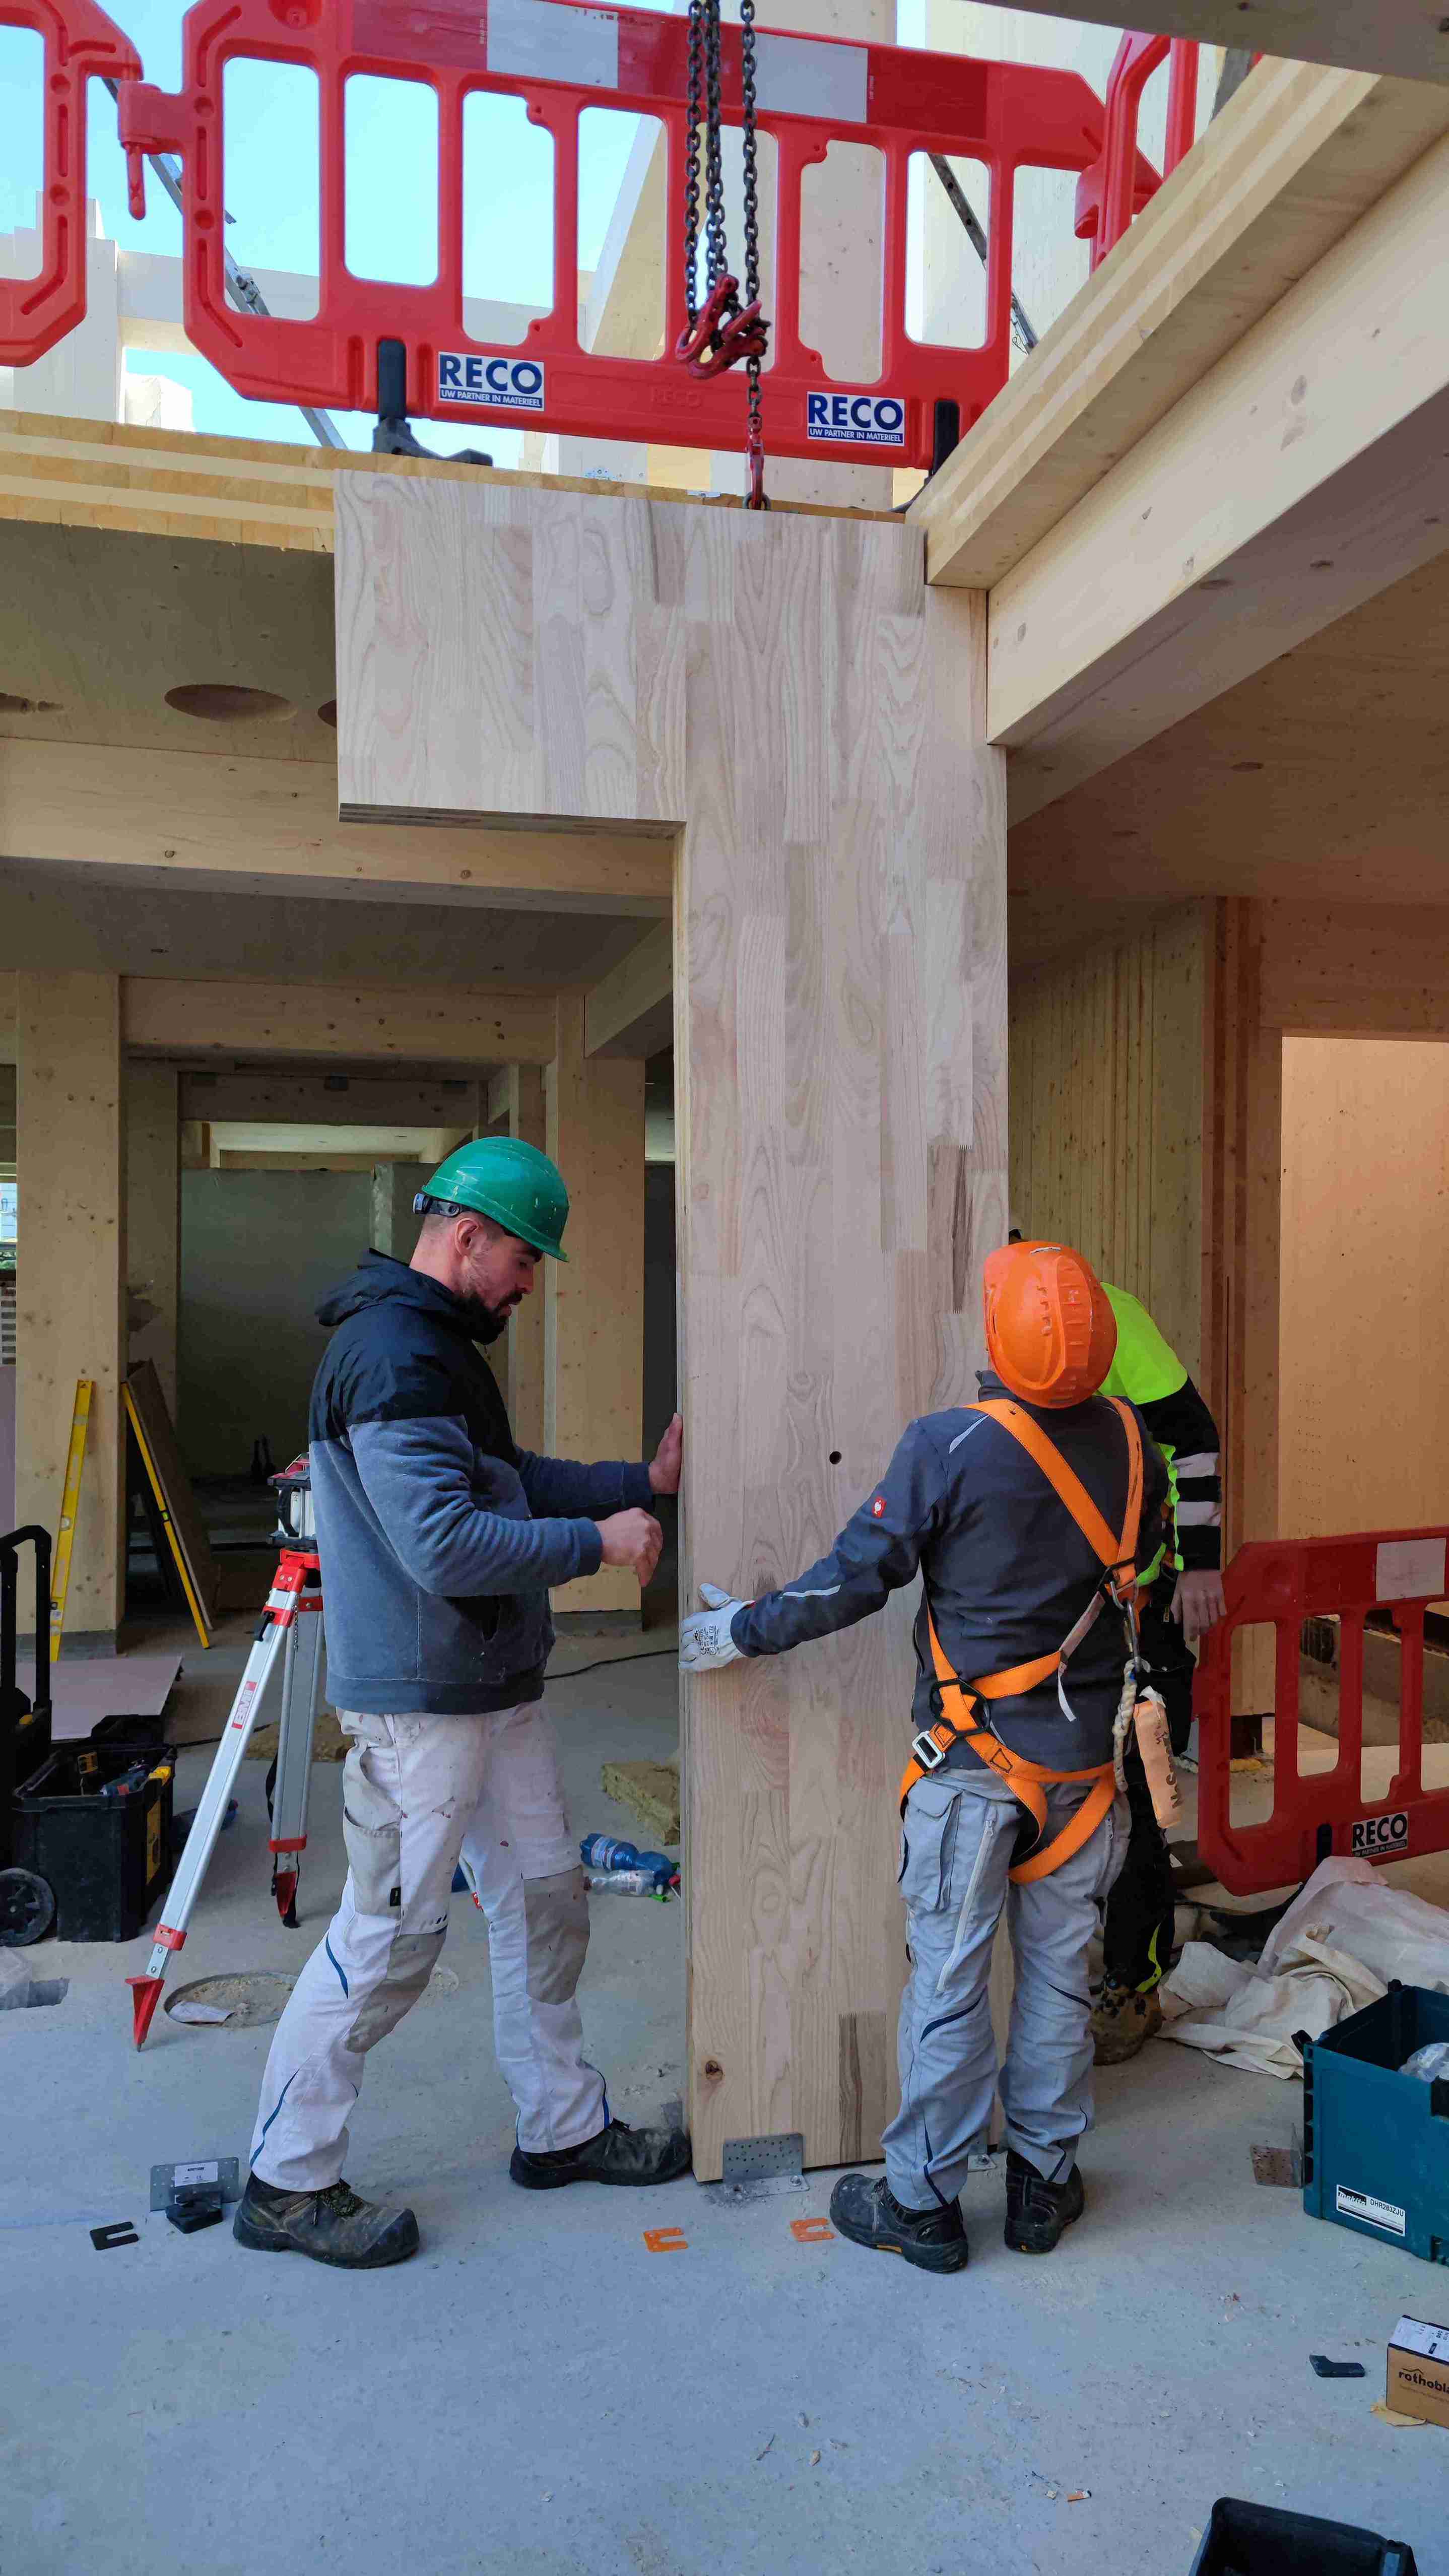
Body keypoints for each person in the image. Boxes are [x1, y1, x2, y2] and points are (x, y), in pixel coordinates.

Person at [233, 1138, 690, 2271]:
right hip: (424, 1703)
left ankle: (563, 2127)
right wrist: (599, 1542)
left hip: (494, 1686)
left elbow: (508, 1478)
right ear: (468, 1235)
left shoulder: (437, 1345)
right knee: (388, 1939)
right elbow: (441, 1542)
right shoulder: (393, 1354)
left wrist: (641, 1485)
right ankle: (285, 2180)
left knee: (545, 1899)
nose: (530, 1283)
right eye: (524, 1258)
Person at [681, 1240, 1170, 2274]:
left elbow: (856, 1578)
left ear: (999, 1336)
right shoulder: (1132, 1441)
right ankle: (1043, 2185)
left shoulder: (948, 1446)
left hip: (970, 1772)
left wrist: (743, 1631)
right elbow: (1149, 1578)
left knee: (948, 1986)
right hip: (1085, 1777)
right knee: (1056, 1982)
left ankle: (923, 2206)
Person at [1092, 1281, 1225, 2062]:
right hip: (1069, 1601)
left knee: (1143, 1787)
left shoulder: (1100, 1317)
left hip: (1151, 1598)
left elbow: (1193, 1433)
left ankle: (1132, 1981)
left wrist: (1199, 1567)